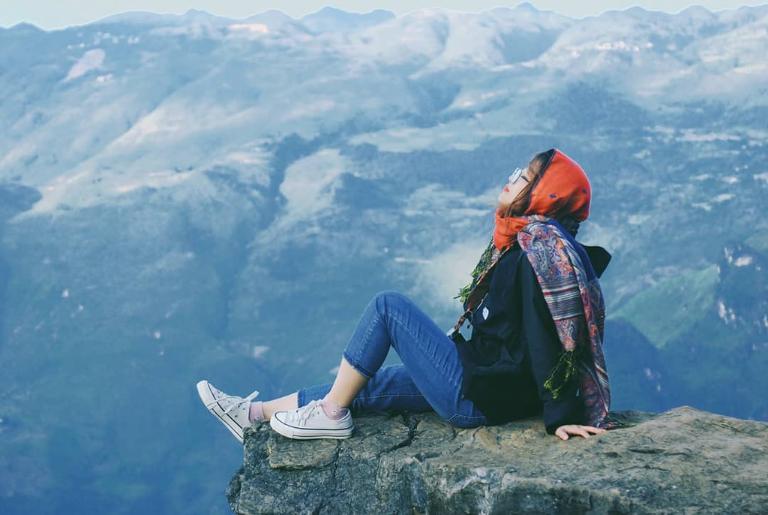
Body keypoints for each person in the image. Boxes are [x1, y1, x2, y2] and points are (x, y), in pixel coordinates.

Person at [197, 148, 616, 444]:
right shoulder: (531, 243)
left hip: (479, 396)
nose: (511, 182)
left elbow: (548, 338)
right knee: (365, 383)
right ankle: (253, 417)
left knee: (388, 307)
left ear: (548, 196)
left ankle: (329, 416)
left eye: (524, 178)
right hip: (480, 378)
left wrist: (561, 416)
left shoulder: (539, 254)